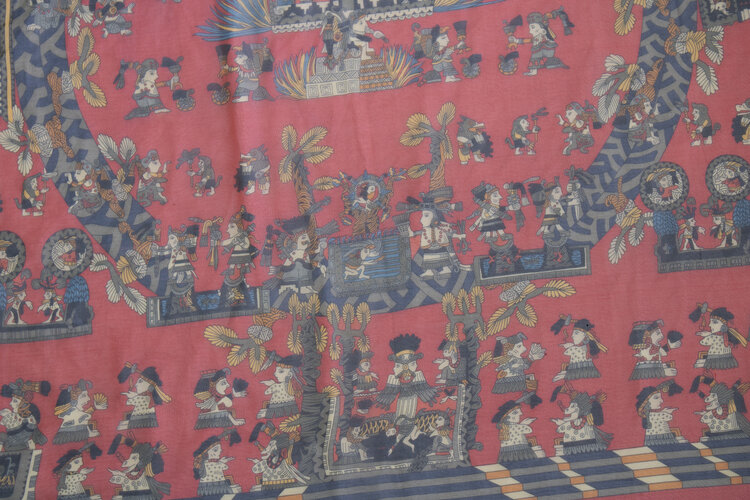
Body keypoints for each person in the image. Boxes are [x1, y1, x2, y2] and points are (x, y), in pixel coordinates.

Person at [376, 334, 437, 419]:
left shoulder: (417, 376)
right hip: (402, 400)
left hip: (413, 399)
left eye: (412, 364)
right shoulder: (393, 379)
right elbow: (389, 392)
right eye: (398, 365)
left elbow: (423, 389)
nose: (406, 369)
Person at [551, 384, 612, 455]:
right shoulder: (580, 422)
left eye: (573, 407)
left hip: (582, 447)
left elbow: (559, 429)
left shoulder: (585, 421)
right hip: (575, 448)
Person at [691, 375, 750, 441]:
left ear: (721, 398)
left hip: (737, 439)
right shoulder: (710, 414)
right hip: (716, 439)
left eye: (713, 396)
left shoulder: (733, 413)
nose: (707, 399)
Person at [116, 364, 171, 430]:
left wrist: (132, 392)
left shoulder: (144, 398)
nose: (136, 385)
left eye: (140, 381)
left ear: (150, 386)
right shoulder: (148, 398)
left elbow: (129, 401)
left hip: (138, 424)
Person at [0, 378, 50, 451]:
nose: (10, 403)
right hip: (11, 443)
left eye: (15, 401)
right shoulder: (15, 416)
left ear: (23, 404)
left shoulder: (29, 419)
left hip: (20, 444)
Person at [551, 317, 606, 382]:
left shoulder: (579, 349)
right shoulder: (580, 348)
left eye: (576, 333)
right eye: (573, 333)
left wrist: (567, 375)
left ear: (586, 335)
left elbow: (586, 373)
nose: (572, 336)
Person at [53, 379, 108, 444]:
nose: (88, 399)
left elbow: (82, 417)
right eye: (83, 396)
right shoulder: (75, 414)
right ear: (73, 400)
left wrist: (94, 408)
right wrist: (89, 434)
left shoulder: (74, 413)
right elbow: (83, 417)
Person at [635, 380, 686, 446]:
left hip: (650, 440)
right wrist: (666, 412)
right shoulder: (660, 415)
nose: (661, 401)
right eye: (656, 398)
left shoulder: (648, 415)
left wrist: (663, 412)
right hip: (663, 439)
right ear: (646, 402)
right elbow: (669, 417)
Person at [256, 355, 303, 420]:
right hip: (291, 408)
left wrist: (272, 384)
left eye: (281, 371)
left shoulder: (276, 386)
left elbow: (266, 392)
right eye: (276, 371)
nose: (275, 374)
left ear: (289, 375)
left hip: (276, 410)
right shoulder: (290, 387)